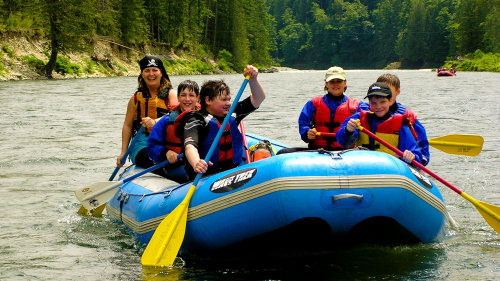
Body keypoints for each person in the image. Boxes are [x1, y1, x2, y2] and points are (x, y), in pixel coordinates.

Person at [182, 65, 265, 180]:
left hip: (232, 172)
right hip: (206, 177)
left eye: (229, 99)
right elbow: (190, 146)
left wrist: (253, 80)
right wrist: (196, 162)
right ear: (208, 100)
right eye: (223, 100)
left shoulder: (232, 113)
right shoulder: (196, 120)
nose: (228, 103)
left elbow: (258, 99)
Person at [336, 82, 423, 165]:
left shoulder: (400, 125)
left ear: (390, 101)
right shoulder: (358, 119)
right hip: (363, 166)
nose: (378, 106)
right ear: (369, 103)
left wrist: (412, 156)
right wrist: (348, 131)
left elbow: (416, 155)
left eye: (383, 102)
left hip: (389, 170)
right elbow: (343, 143)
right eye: (374, 103)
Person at [117, 55, 177, 169]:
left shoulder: (171, 94)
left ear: (161, 72)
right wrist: (123, 152)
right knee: (154, 161)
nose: (151, 74)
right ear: (142, 74)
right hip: (141, 144)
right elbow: (127, 125)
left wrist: (155, 121)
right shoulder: (135, 98)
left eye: (155, 70)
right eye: (147, 71)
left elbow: (177, 115)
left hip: (165, 142)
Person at [297, 66, 369, 151]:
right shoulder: (313, 104)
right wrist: (307, 132)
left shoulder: (358, 105)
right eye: (332, 81)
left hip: (346, 152)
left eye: (339, 81)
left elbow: (375, 110)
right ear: (326, 84)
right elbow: (303, 123)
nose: (335, 84)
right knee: (284, 152)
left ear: (345, 83)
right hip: (317, 151)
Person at [147, 80, 200, 181]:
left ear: (197, 98)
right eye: (183, 95)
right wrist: (166, 152)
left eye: (191, 95)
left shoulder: (206, 119)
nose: (187, 99)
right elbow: (151, 146)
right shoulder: (166, 121)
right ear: (178, 98)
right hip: (175, 167)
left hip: (200, 163)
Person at [376, 73, 430, 165]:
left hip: (399, 164)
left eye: (388, 92)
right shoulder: (368, 111)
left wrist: (420, 162)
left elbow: (422, 147)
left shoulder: (407, 117)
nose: (383, 95)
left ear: (397, 92)